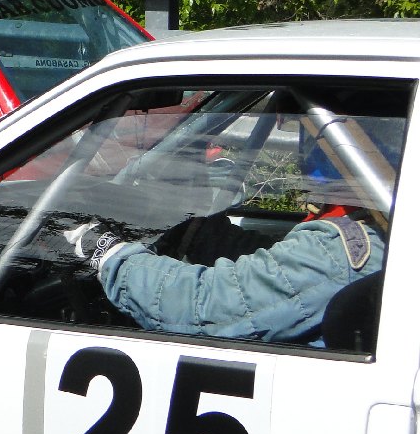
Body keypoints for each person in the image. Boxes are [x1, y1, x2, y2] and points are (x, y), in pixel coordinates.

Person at [62, 107, 398, 346]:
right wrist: (194, 233)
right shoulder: (378, 226)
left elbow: (204, 307)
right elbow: (275, 269)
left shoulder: (346, 250)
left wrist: (106, 252)